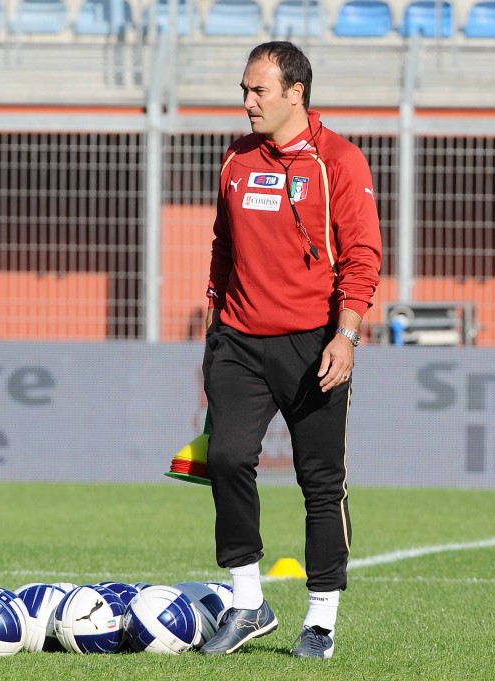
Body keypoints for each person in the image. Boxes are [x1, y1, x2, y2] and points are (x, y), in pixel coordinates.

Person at [198, 41, 382, 660]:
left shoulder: (340, 160)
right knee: (226, 458)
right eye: (244, 90)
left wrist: (346, 335)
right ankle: (248, 601)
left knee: (320, 482)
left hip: (314, 345)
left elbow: (362, 257)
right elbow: (223, 247)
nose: (248, 102)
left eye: (259, 90)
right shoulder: (236, 157)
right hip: (238, 340)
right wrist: (214, 326)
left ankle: (321, 621)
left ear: (295, 93)